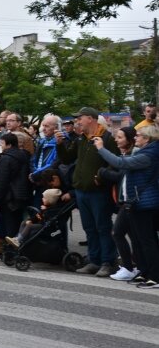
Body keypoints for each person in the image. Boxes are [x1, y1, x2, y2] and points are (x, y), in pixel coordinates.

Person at [55, 106, 120, 277]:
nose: (77, 122)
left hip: (98, 192)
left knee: (103, 227)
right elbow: (67, 158)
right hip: (82, 190)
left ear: (90, 119)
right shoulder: (81, 138)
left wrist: (101, 177)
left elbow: (114, 162)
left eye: (80, 118)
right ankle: (94, 260)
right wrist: (60, 145)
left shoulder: (106, 138)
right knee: (89, 228)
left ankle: (108, 262)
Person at [94, 125, 159, 288]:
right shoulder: (144, 152)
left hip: (144, 202)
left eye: (138, 136)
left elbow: (120, 163)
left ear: (147, 139)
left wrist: (101, 149)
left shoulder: (148, 155)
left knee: (147, 240)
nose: (135, 138)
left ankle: (155, 276)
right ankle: (144, 271)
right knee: (139, 239)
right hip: (137, 201)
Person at [97, 126, 138, 281]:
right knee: (132, 235)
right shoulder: (125, 153)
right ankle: (135, 266)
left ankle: (130, 267)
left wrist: (103, 172)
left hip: (130, 201)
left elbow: (120, 174)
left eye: (120, 137)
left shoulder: (133, 154)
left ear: (130, 139)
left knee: (118, 233)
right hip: (124, 201)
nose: (116, 140)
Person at [0, 133, 32, 238]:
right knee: (17, 224)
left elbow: (2, 182)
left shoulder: (6, 159)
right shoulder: (24, 155)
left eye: (2, 143)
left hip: (9, 198)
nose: (0, 146)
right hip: (22, 195)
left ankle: (11, 251)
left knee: (9, 227)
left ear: (9, 144)